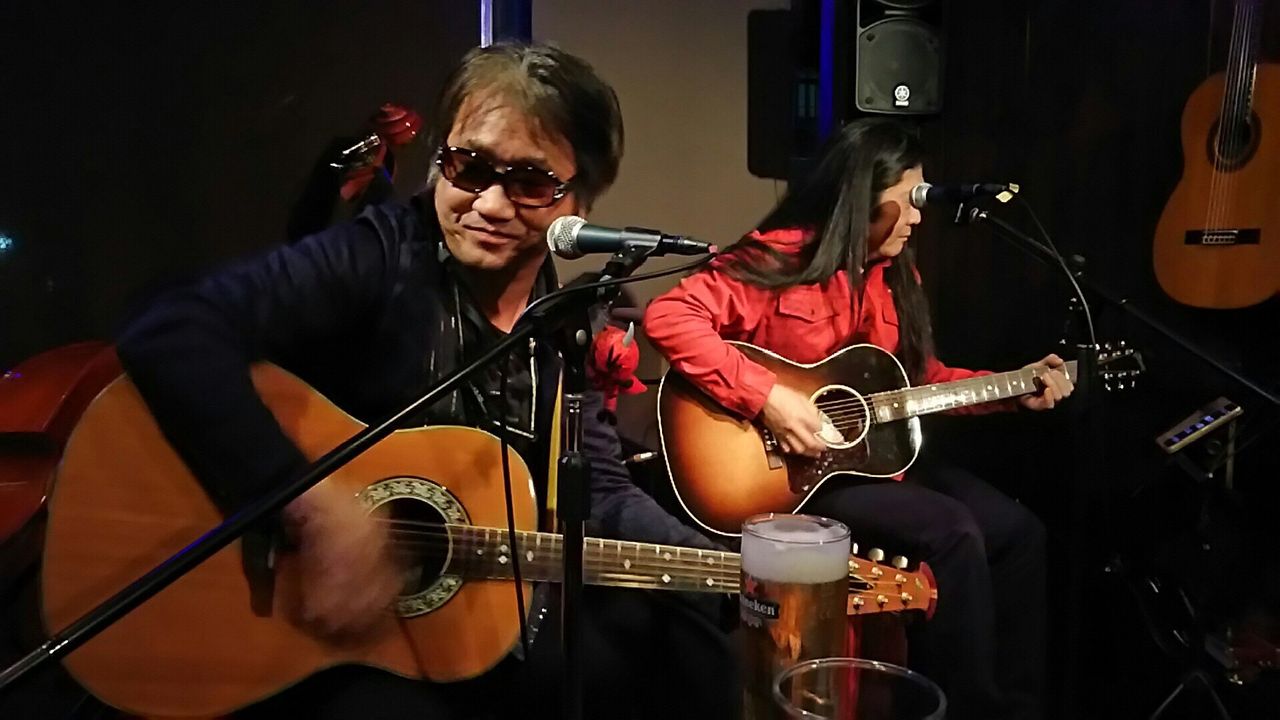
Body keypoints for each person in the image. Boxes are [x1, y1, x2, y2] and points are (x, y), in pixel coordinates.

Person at [116, 42, 738, 720]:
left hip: (461, 611)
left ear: (580, 199)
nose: (490, 204)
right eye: (469, 167)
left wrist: (728, 568)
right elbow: (168, 328)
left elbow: (602, 492)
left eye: (530, 182)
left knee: (690, 645)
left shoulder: (564, 317)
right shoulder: (381, 254)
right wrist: (309, 509)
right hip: (318, 624)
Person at [643, 118, 1073, 720]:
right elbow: (669, 317)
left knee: (1018, 532)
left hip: (872, 464)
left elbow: (920, 384)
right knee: (952, 531)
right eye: (909, 198)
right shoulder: (779, 256)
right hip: (791, 477)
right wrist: (770, 399)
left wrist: (1011, 389)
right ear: (862, 195)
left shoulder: (899, 278)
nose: (918, 216)